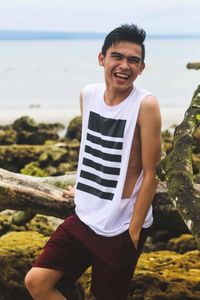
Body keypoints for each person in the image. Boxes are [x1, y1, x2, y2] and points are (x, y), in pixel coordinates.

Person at [25, 23, 161, 300]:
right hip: (85, 216)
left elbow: (151, 173)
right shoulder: (88, 94)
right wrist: (85, 190)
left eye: (133, 60)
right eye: (117, 57)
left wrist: (133, 232)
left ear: (141, 67)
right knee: (37, 282)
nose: (124, 66)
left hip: (120, 227)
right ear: (102, 59)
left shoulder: (146, 105)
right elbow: (93, 149)